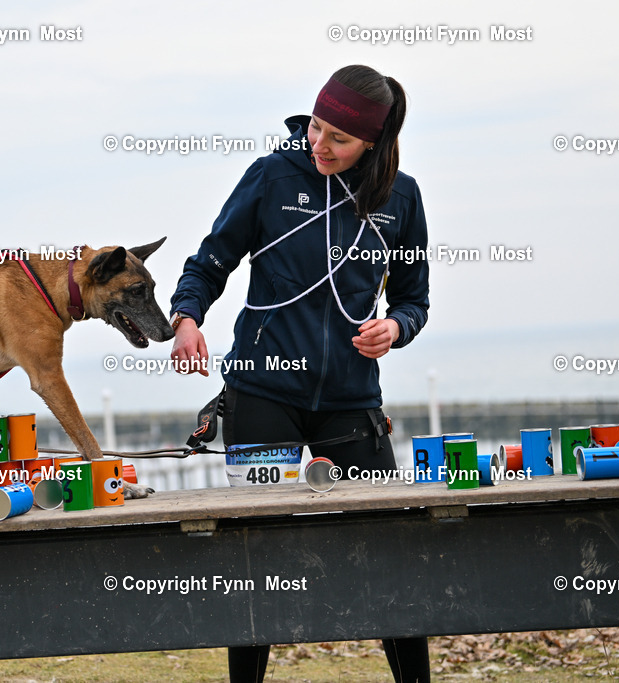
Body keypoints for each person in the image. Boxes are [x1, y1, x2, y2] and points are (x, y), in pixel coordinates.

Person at [168, 65, 431, 683]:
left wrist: (395, 328)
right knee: (256, 552)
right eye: (315, 126)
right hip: (262, 390)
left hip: (350, 397)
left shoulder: (402, 198)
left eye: (339, 137)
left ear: (374, 142)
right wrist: (186, 318)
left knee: (386, 548)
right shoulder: (271, 175)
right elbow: (211, 260)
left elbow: (414, 298)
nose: (320, 144)